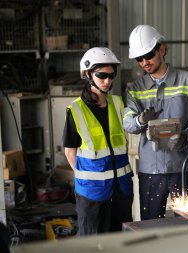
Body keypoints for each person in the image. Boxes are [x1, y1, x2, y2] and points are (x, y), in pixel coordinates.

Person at [123, 25, 188, 220]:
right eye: (139, 59)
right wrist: (140, 120)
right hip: (150, 171)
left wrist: (186, 136)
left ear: (162, 49)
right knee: (151, 227)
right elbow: (128, 124)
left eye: (148, 55)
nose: (144, 62)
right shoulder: (135, 89)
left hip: (184, 166)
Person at [63, 47, 133, 236]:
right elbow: (70, 151)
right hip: (91, 193)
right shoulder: (76, 110)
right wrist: (85, 179)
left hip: (121, 188)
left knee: (121, 238)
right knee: (92, 240)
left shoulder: (118, 104)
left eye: (111, 76)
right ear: (88, 74)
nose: (107, 81)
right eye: (102, 75)